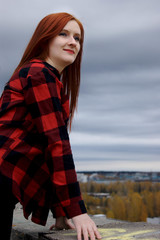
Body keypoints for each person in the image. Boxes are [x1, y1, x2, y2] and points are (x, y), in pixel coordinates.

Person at [0, 12, 101, 240]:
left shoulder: (45, 77)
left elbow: (45, 147)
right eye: (63, 34)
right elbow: (57, 144)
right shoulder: (38, 74)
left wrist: (61, 212)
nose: (72, 42)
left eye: (78, 38)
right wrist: (78, 212)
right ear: (45, 38)